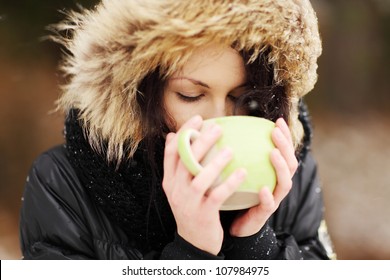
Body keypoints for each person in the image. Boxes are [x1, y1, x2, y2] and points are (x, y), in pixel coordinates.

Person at [19, 0, 331, 259]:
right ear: (140, 93)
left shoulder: (291, 173)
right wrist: (191, 251)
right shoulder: (63, 183)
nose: (216, 119)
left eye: (243, 99)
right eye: (190, 95)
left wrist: (253, 242)